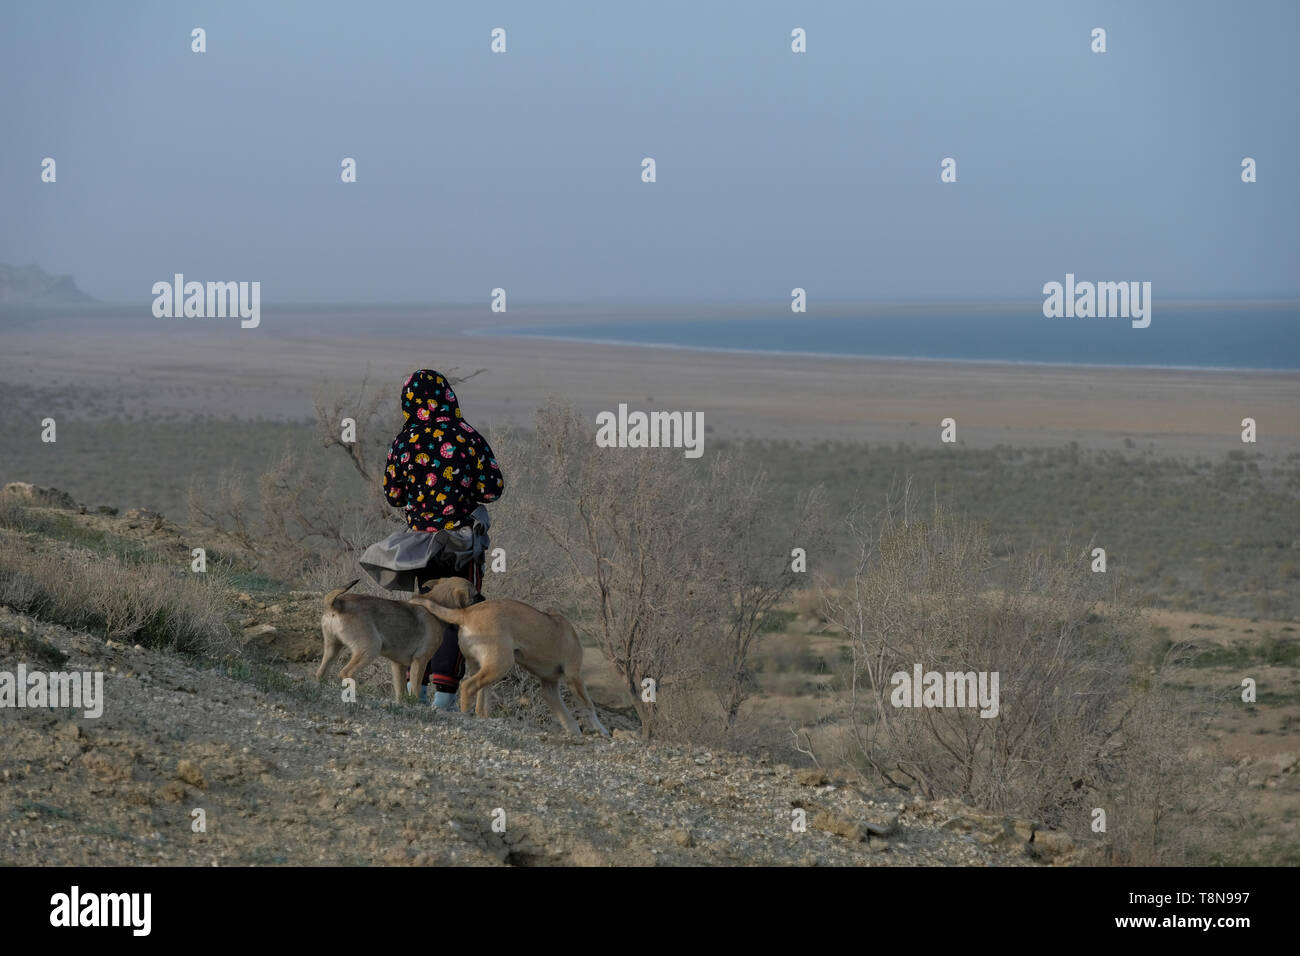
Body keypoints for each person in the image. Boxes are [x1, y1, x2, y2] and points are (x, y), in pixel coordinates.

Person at [381, 369, 504, 708]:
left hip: (421, 546)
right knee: (460, 615)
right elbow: (493, 489)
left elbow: (393, 494)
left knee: (424, 611)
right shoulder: (467, 436)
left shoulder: (404, 441)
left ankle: (414, 691)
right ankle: (446, 698)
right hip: (463, 543)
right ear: (447, 396)